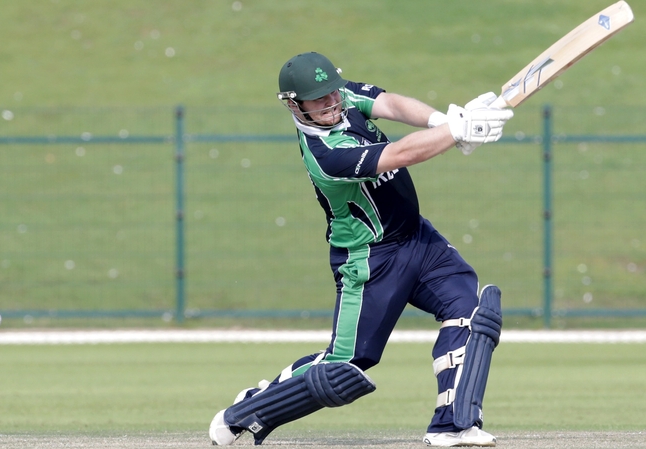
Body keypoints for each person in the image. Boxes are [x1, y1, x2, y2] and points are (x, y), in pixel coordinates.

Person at [208, 52, 513, 447]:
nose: (332, 104)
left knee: (471, 312)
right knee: (346, 364)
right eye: (318, 101)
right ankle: (246, 411)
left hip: (418, 238)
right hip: (370, 261)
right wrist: (456, 132)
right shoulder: (325, 155)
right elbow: (399, 155)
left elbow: (390, 103)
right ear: (293, 105)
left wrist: (442, 121)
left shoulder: (341, 97)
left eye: (333, 93)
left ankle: (454, 424)